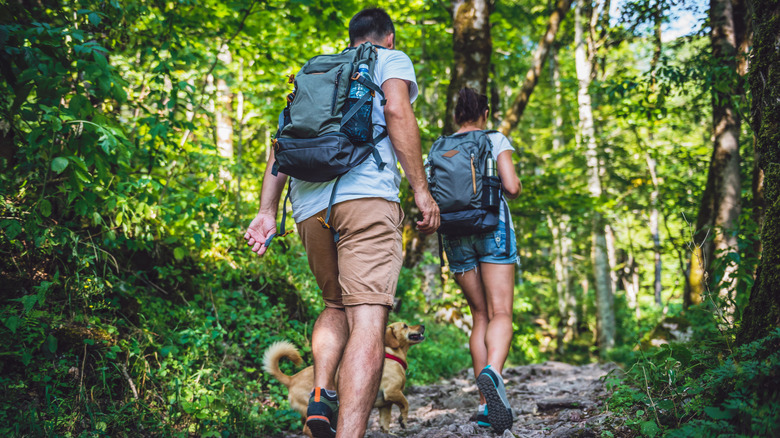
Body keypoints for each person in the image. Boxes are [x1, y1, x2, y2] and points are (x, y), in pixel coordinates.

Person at [244, 8, 439, 438]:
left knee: (336, 307)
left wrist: (266, 211)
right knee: (368, 317)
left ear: (349, 38)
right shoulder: (389, 58)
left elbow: (282, 140)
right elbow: (398, 112)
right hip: (366, 198)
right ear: (388, 37)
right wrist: (422, 191)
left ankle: (319, 392)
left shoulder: (315, 70)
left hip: (309, 205)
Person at [441, 87, 521, 433]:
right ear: (484, 113)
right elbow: (512, 186)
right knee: (501, 312)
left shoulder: (441, 145)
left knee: (479, 315)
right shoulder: (494, 138)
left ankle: (485, 404)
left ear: (456, 115)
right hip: (492, 226)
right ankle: (493, 373)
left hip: (455, 233)